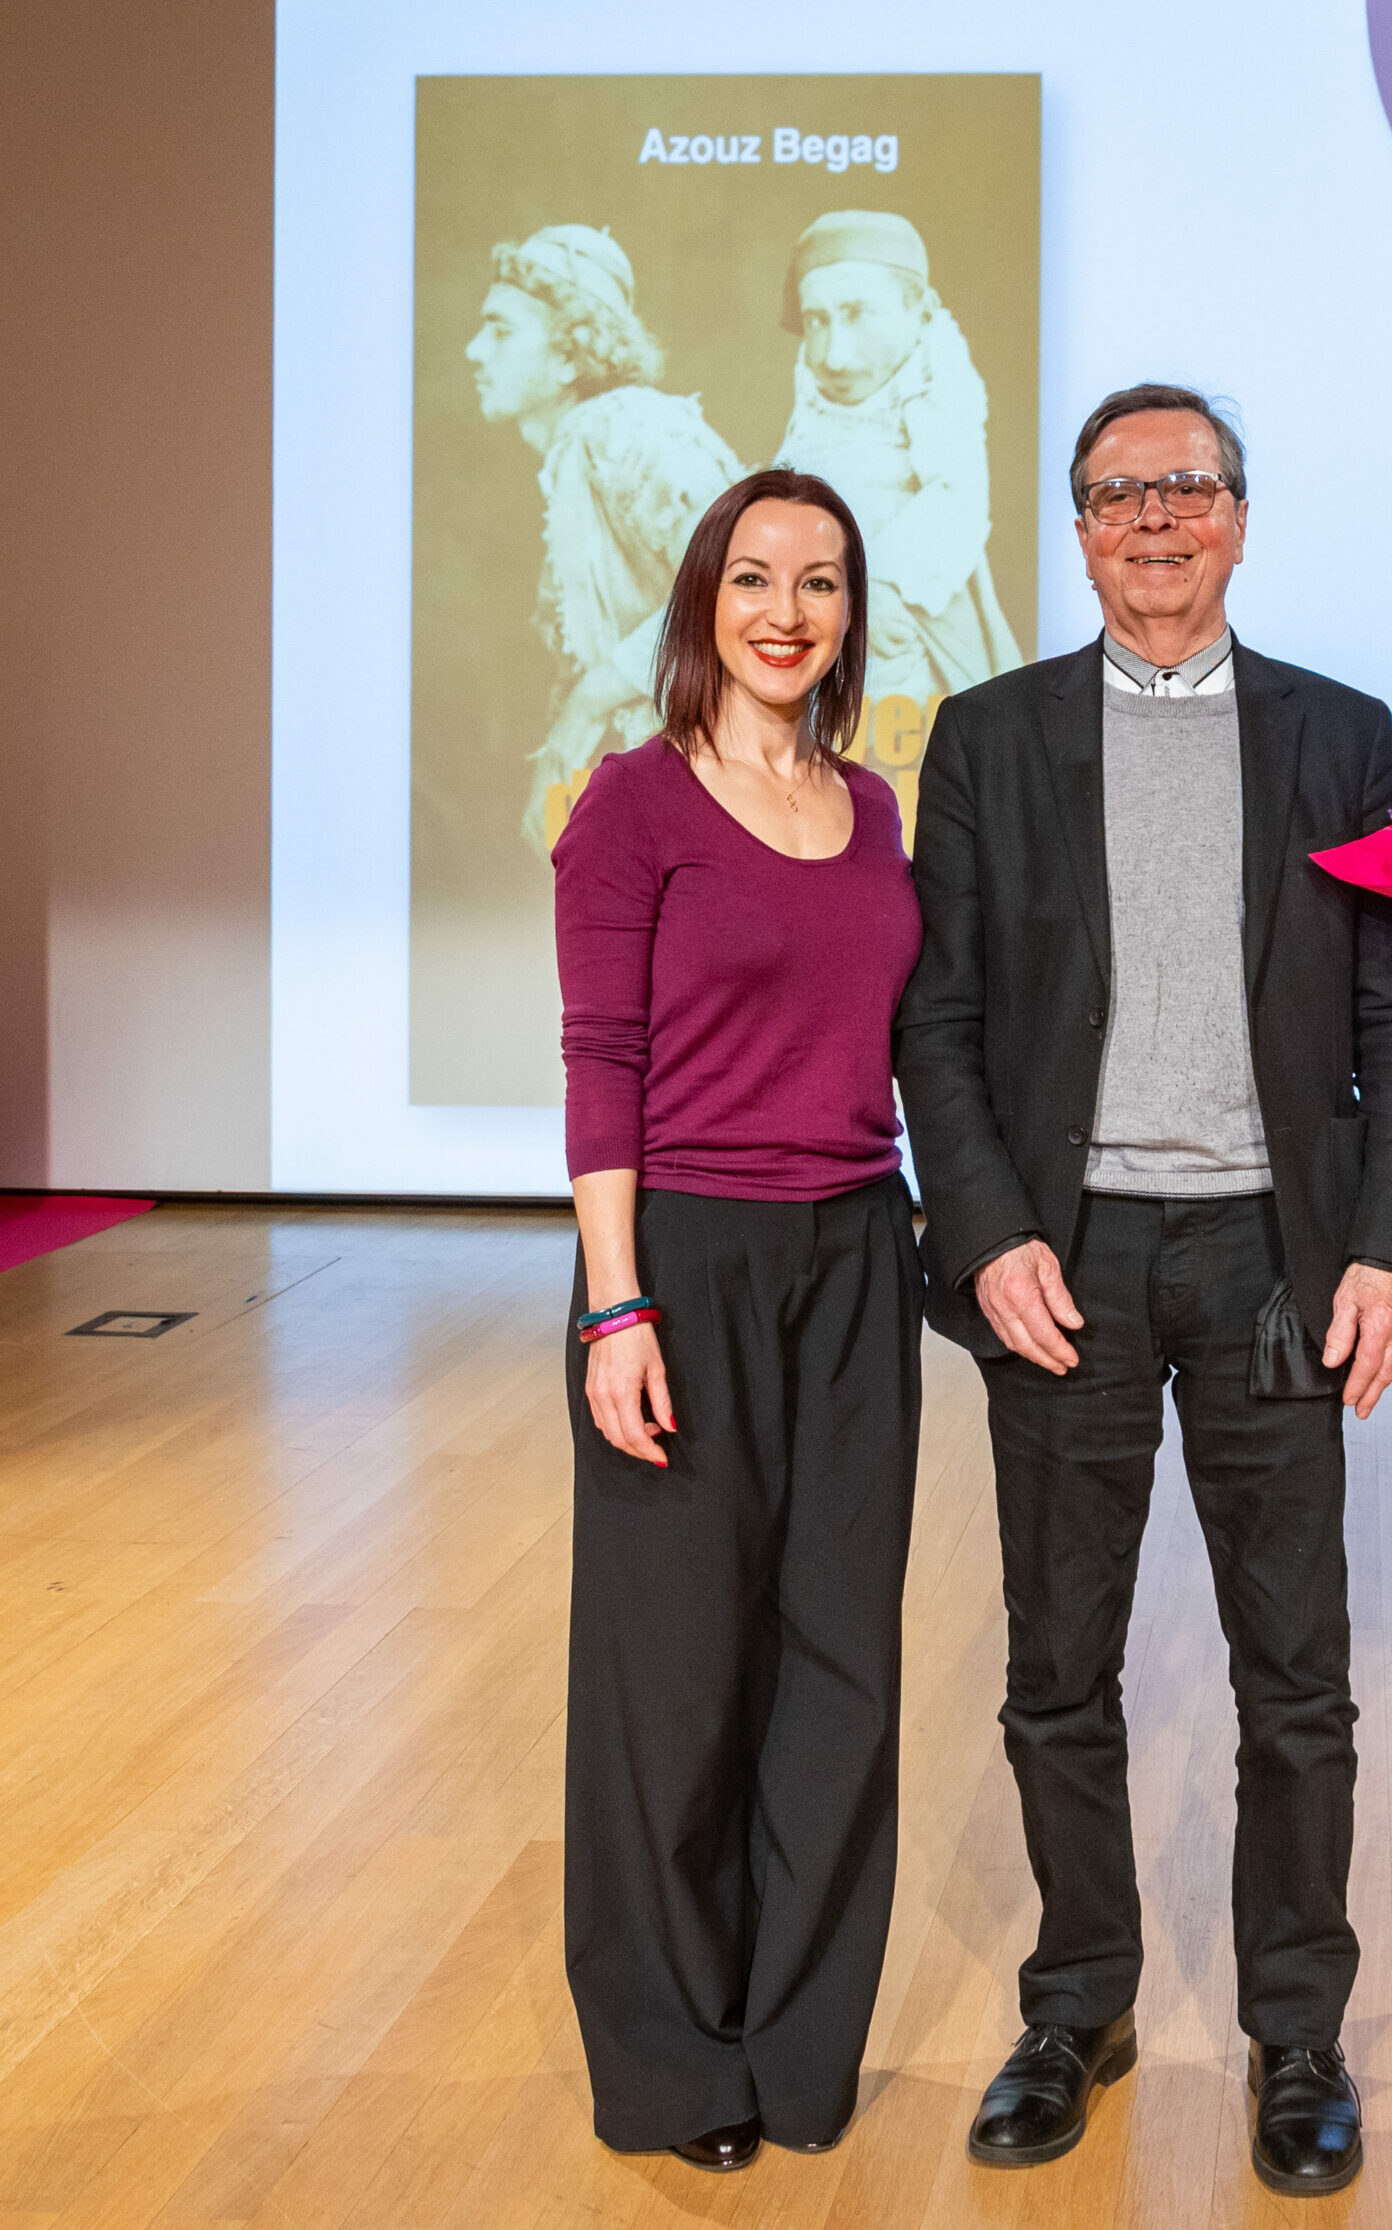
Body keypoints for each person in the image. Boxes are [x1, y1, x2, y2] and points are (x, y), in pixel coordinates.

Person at [895, 383, 1392, 2198]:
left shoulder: (1339, 735)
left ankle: (1299, 2034)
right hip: (1070, 1263)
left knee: (1298, 1677)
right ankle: (1080, 2004)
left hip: (1278, 1255)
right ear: (1077, 528)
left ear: (1239, 520)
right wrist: (985, 1232)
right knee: (1059, 1667)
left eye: (1188, 487)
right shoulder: (985, 738)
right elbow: (943, 1022)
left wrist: (1391, 1245)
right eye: (1120, 492)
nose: (1155, 518)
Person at [552, 468, 923, 2173]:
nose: (788, 611)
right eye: (757, 577)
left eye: (823, 583)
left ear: (851, 613)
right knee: (676, 1681)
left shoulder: (873, 811)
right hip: (681, 1261)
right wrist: (615, 1301)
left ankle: (796, 2043)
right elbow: (601, 1068)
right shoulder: (628, 806)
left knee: (843, 1667)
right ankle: (673, 2061)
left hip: (855, 1252)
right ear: (703, 596)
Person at [466, 223, 744, 846]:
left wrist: (585, 708)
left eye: (502, 330)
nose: (474, 351)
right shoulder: (578, 450)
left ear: (570, 352)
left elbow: (743, 585)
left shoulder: (632, 428)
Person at [770, 211, 1020, 707]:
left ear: (919, 312)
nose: (834, 356)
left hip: (904, 642)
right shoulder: (813, 416)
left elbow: (957, 499)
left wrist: (871, 595)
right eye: (817, 321)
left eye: (859, 313)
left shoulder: (937, 395)